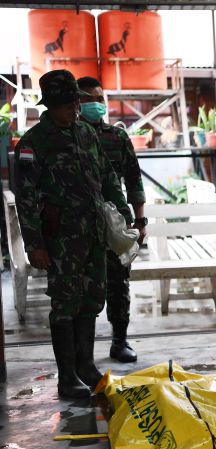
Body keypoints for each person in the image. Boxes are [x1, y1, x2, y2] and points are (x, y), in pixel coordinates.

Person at [14, 70, 133, 398]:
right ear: (50, 106)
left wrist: (123, 213)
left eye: (75, 103)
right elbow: (24, 199)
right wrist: (34, 245)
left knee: (92, 299)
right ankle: (67, 376)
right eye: (67, 104)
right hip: (61, 240)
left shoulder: (86, 133)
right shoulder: (34, 143)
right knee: (65, 304)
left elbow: (107, 176)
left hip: (94, 235)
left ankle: (85, 365)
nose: (74, 109)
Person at [76, 76, 146, 364]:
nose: (97, 104)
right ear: (78, 103)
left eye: (100, 98)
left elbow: (134, 179)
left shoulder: (117, 137)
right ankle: (83, 354)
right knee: (84, 289)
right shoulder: (71, 137)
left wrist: (140, 221)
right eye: (90, 99)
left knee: (119, 283)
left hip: (116, 221)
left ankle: (120, 341)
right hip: (80, 225)